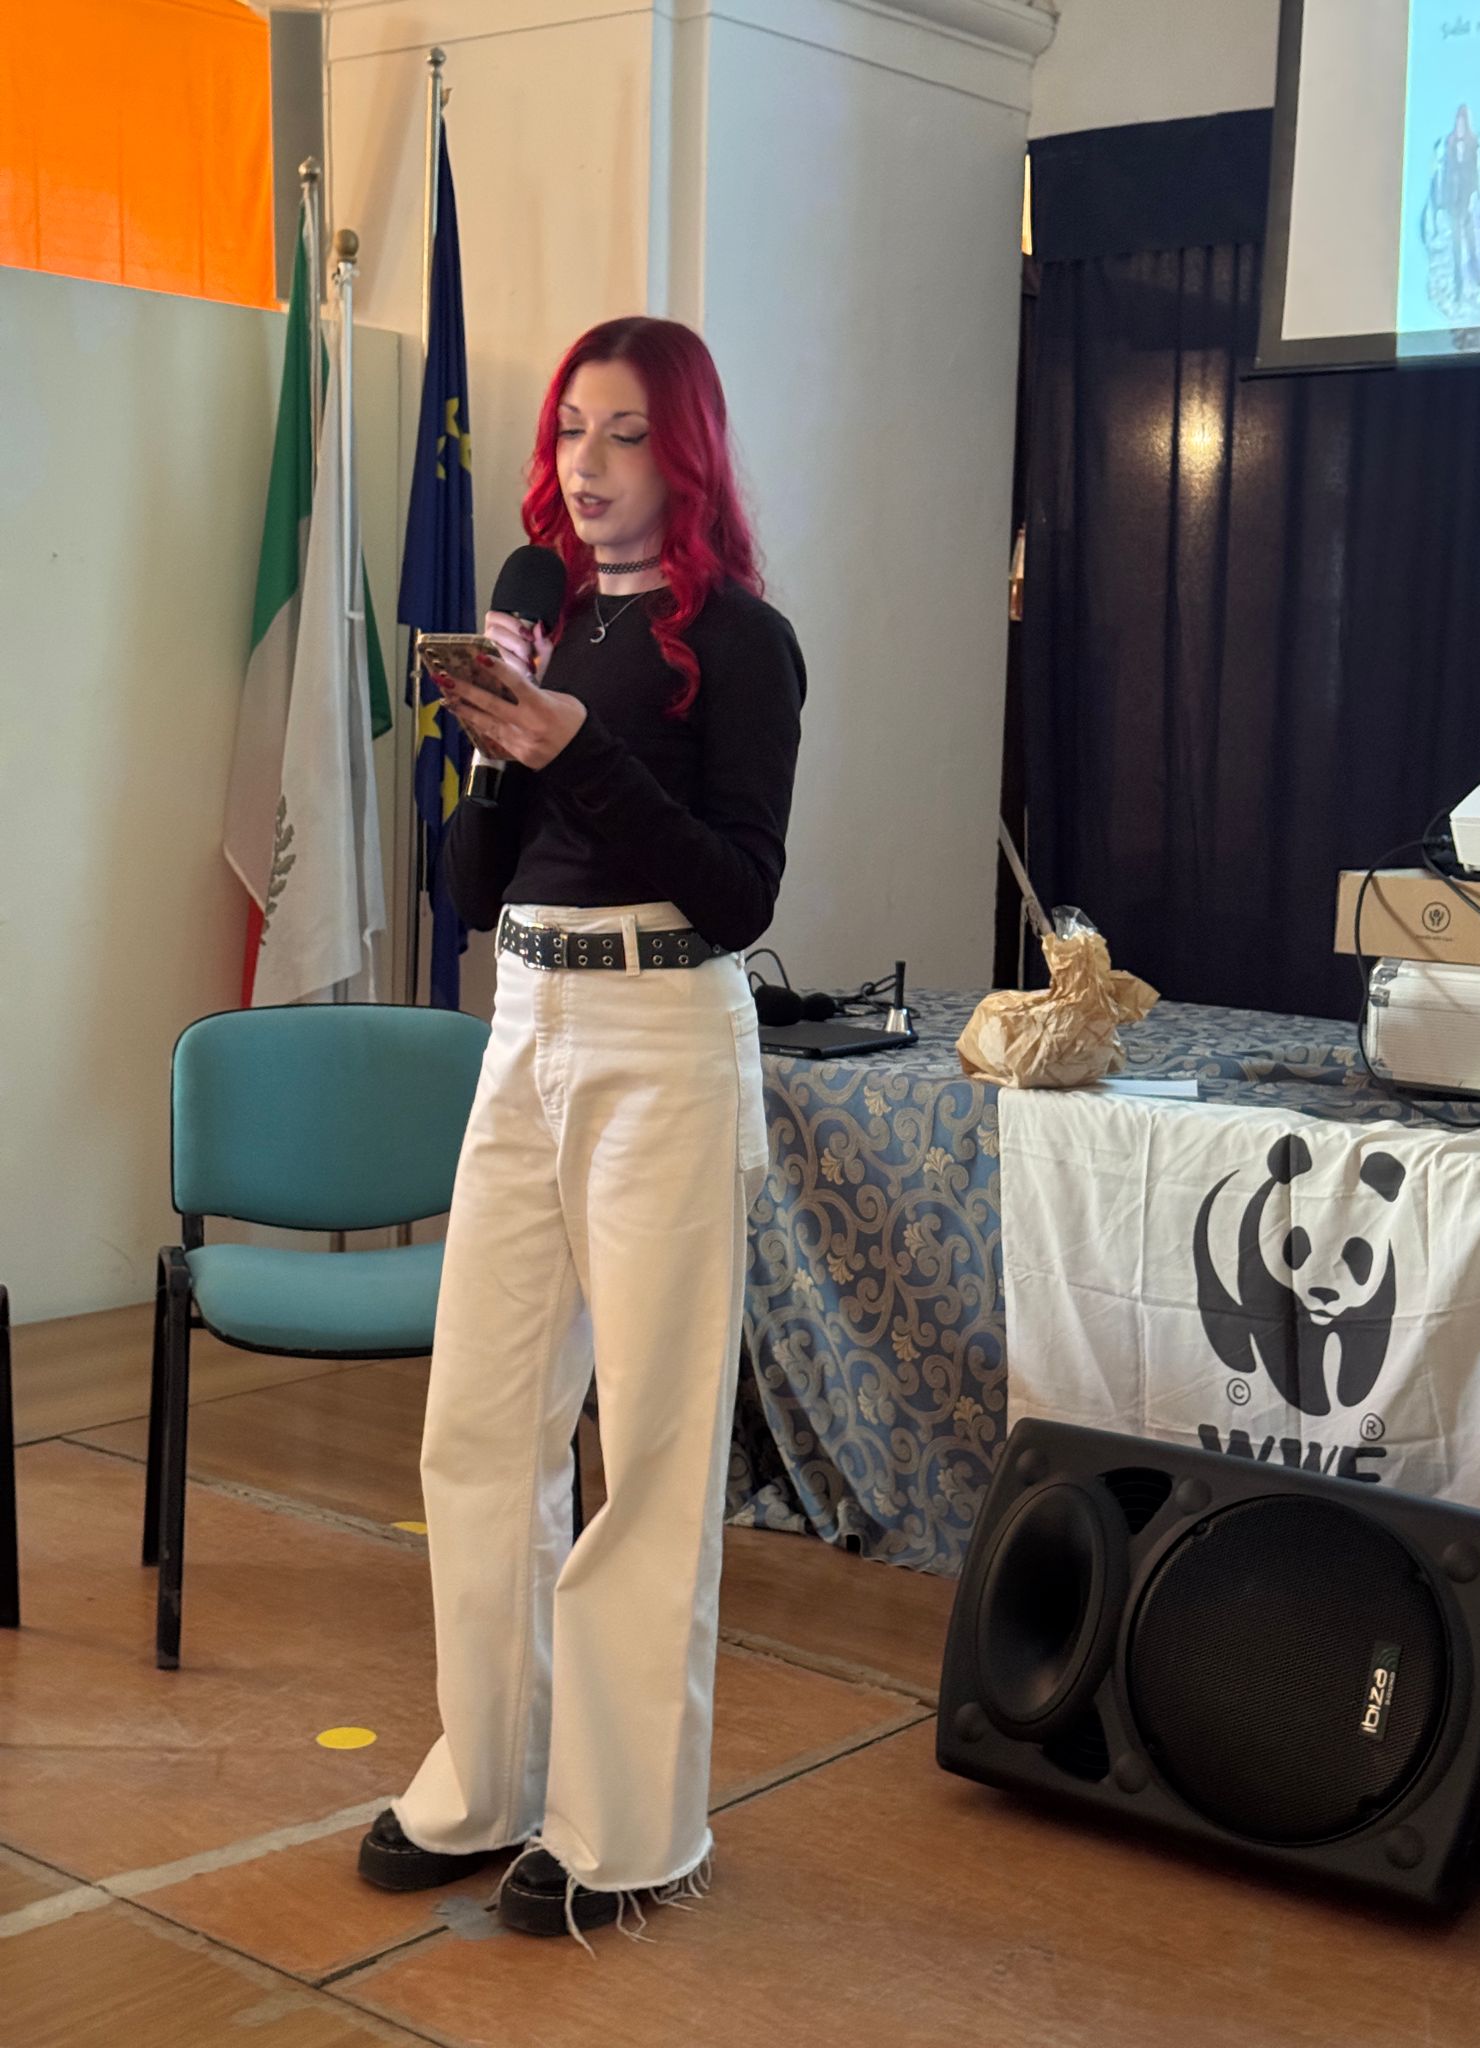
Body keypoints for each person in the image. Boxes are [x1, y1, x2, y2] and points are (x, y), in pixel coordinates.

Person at [354, 317, 806, 1947]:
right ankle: (488, 1778)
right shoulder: (540, 616)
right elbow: (472, 896)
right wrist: (496, 751)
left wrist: (577, 746)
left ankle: (625, 1828)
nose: (586, 466)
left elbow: (740, 893)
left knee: (653, 1451)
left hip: (662, 1036)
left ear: (685, 450)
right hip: (528, 1024)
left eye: (622, 434)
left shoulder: (740, 643)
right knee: (480, 1422)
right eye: (568, 434)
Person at [1444, 104, 1480, 301]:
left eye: (1463, 123)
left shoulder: (1473, 143)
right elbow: (1446, 172)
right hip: (1453, 200)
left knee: (1470, 239)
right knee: (1456, 245)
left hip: (1467, 198)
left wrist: (1475, 193)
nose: (1460, 126)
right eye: (1458, 122)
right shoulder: (1449, 142)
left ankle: (1475, 273)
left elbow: (1475, 171)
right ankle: (1458, 283)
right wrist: (1444, 200)